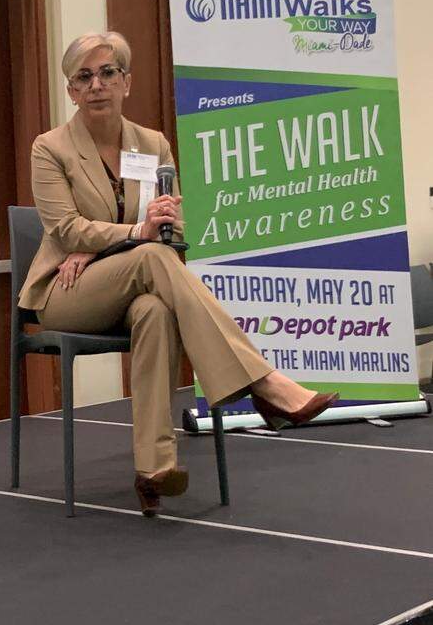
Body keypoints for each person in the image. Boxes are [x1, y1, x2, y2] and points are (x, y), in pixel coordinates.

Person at [18, 31, 336, 516]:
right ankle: (264, 382)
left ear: (126, 81)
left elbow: (173, 227)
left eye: (107, 73)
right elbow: (65, 227)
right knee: (151, 258)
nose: (97, 84)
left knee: (153, 308)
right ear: (71, 91)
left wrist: (115, 240)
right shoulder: (51, 148)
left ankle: (154, 468)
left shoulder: (153, 143)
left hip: (133, 279)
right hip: (67, 292)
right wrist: (130, 235)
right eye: (83, 77)